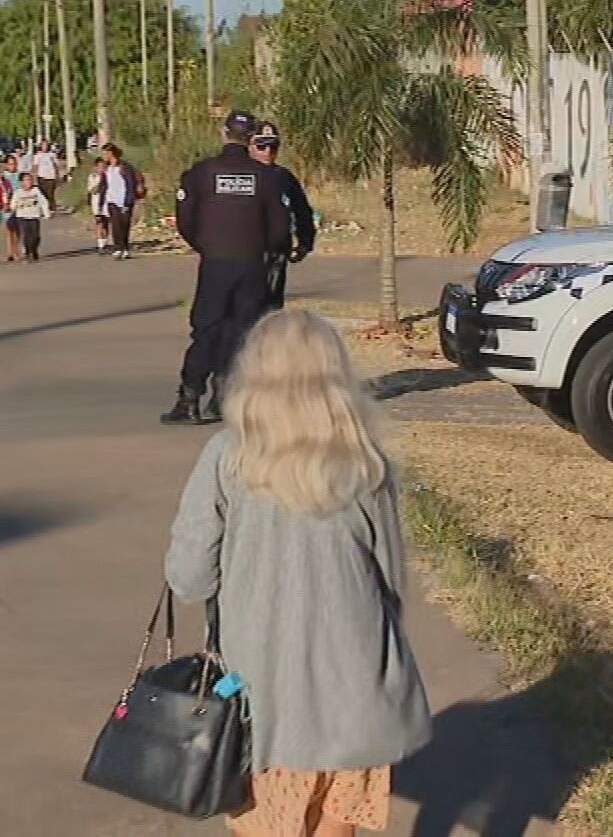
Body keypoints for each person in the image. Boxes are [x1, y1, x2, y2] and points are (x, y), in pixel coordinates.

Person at [164, 310, 431, 837]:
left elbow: (189, 578)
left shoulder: (227, 457)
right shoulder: (366, 463)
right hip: (354, 692)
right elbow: (390, 583)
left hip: (259, 702)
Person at [163, 112, 292, 426]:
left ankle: (190, 397)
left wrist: (205, 244)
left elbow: (185, 220)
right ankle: (224, 397)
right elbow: (279, 227)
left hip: (216, 262)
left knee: (207, 329)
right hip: (251, 263)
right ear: (250, 138)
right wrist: (262, 247)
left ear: (224, 133)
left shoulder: (201, 173)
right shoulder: (265, 178)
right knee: (242, 330)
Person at [247, 121, 316, 311]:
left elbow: (302, 210)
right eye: (261, 145)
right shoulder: (236, 175)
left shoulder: (283, 176)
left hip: (274, 254)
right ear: (249, 146)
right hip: (240, 253)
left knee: (270, 310)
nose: (268, 151)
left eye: (273, 145)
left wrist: (305, 242)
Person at [98, 144, 142, 260]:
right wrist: (101, 203)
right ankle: (118, 248)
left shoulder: (125, 167)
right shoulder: (106, 169)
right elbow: (103, 186)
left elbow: (131, 185)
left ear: (111, 153)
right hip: (111, 200)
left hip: (124, 200)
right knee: (115, 225)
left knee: (124, 225)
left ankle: (125, 248)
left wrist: (128, 201)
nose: (103, 156)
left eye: (105, 153)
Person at [10, 173, 51, 262]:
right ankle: (28, 252)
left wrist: (46, 213)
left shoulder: (36, 191)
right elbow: (13, 202)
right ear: (22, 182)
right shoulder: (18, 192)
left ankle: (34, 249)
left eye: (30, 180)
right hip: (22, 216)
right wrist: (13, 207)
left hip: (34, 215)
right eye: (26, 180)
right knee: (26, 235)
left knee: (35, 236)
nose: (29, 182)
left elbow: (44, 202)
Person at [86, 157, 112, 254]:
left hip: (107, 202)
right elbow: (92, 190)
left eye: (104, 166)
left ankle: (104, 242)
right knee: (99, 223)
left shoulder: (108, 176)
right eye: (100, 166)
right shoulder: (92, 177)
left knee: (106, 224)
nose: (102, 168)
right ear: (96, 167)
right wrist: (99, 184)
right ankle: (100, 245)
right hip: (97, 203)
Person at [31, 140, 64, 211]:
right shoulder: (38, 155)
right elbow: (35, 167)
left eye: (46, 145)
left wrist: (58, 176)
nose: (45, 147)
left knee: (50, 194)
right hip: (41, 177)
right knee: (42, 194)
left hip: (51, 177)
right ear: (41, 146)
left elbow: (56, 166)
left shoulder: (52, 155)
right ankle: (44, 209)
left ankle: (52, 208)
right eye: (43, 145)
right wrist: (34, 178)